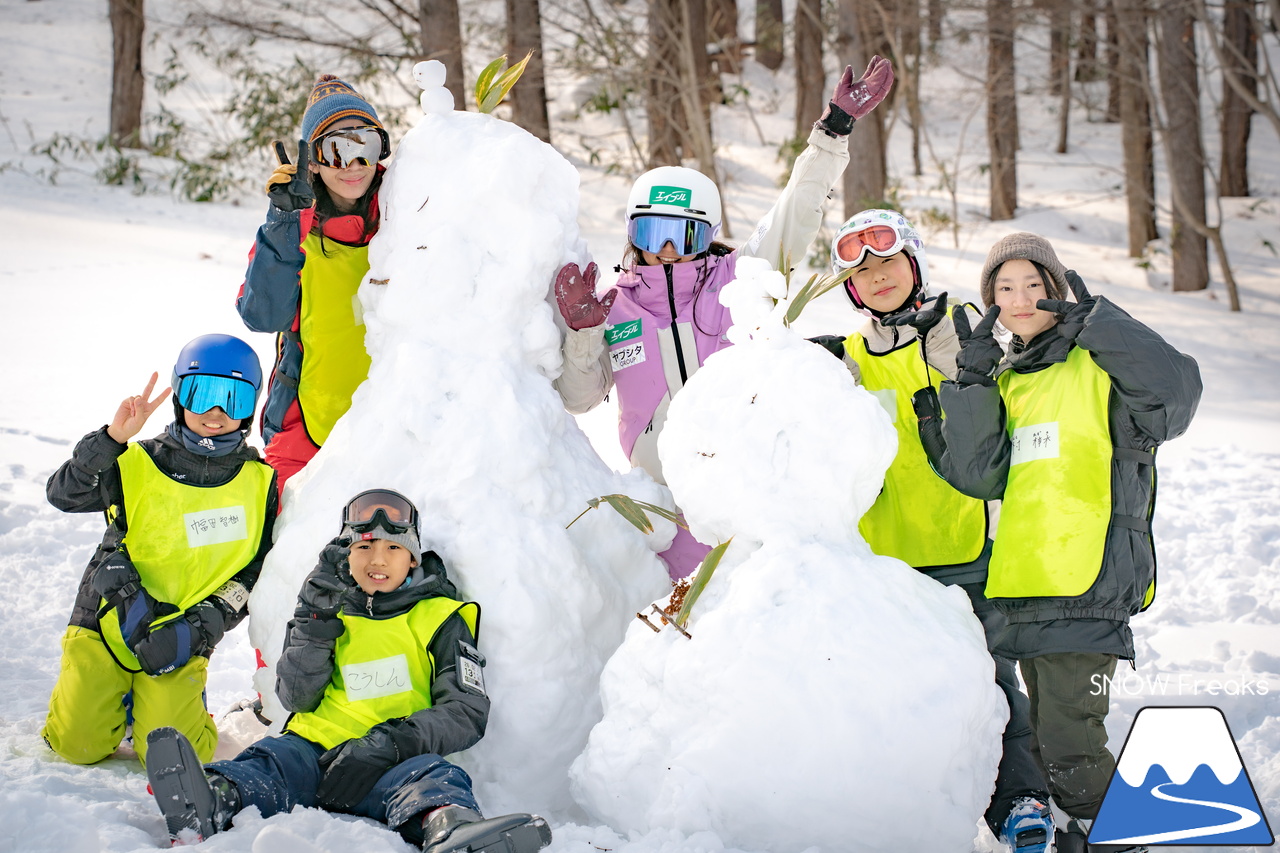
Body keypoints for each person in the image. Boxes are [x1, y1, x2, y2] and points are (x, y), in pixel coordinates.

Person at [553, 57, 895, 581]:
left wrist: (832, 133)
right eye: (653, 234)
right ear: (632, 235)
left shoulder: (739, 279)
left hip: (753, 503)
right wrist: (582, 336)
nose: (668, 250)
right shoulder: (612, 307)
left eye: (684, 235)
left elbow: (795, 210)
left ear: (708, 235)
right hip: (665, 515)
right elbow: (578, 399)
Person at [925, 233, 1202, 853]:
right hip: (1026, 587)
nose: (1021, 299)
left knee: (1071, 747)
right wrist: (972, 383)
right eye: (1004, 288)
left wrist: (1102, 324)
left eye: (1034, 284)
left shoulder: (1101, 364)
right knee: (1052, 751)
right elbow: (979, 476)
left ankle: (1124, 838)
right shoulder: (1010, 378)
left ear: (1058, 289)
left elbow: (1175, 397)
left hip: (1090, 581)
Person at [810, 210, 1054, 853]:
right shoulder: (848, 357)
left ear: (914, 265)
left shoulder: (961, 329)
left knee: (991, 681)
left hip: (969, 549)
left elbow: (999, 399)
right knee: (901, 692)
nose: (878, 276)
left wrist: (946, 344)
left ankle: (1020, 801)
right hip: (886, 562)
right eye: (862, 270)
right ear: (850, 287)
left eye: (889, 261)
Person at [144, 489, 552, 853]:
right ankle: (212, 799)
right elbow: (296, 697)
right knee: (268, 762)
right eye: (364, 546)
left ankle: (452, 831)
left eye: (393, 547)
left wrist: (390, 744)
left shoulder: (440, 617)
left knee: (436, 779)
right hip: (310, 752)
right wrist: (314, 623)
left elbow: (465, 711)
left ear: (412, 557)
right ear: (345, 553)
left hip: (391, 761)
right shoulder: (325, 606)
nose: (378, 559)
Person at [42, 334, 277, 767]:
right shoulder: (137, 460)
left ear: (251, 407)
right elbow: (64, 494)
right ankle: (109, 699)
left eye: (234, 398)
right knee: (77, 746)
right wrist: (112, 439)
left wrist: (207, 621)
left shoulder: (261, 484)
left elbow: (257, 568)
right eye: (202, 394)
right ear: (180, 395)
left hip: (179, 636)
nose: (216, 412)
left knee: (173, 757)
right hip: (108, 620)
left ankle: (159, 703)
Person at [236, 74, 393, 492]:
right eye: (336, 150)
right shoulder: (292, 228)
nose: (353, 165)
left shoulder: (406, 215)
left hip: (396, 424)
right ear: (313, 161)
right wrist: (284, 224)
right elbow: (261, 315)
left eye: (365, 146)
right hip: (304, 427)